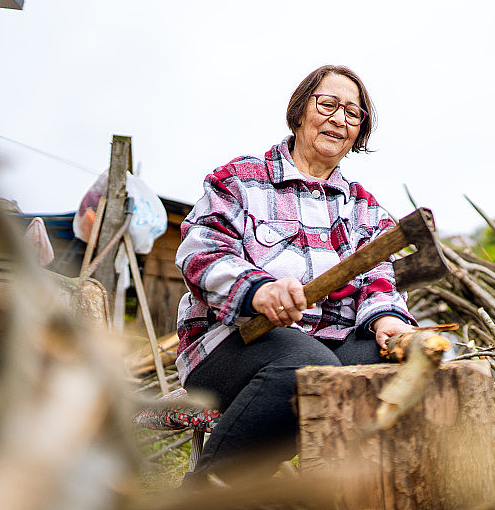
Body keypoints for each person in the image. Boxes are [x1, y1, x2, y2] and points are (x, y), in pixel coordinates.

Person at [175, 65, 417, 484]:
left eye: (353, 114)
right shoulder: (241, 179)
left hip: (330, 345)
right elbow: (201, 252)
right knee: (308, 368)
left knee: (388, 368)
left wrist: (387, 320)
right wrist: (258, 290)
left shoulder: (364, 207)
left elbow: (379, 277)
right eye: (328, 104)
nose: (340, 119)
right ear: (300, 111)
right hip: (231, 344)